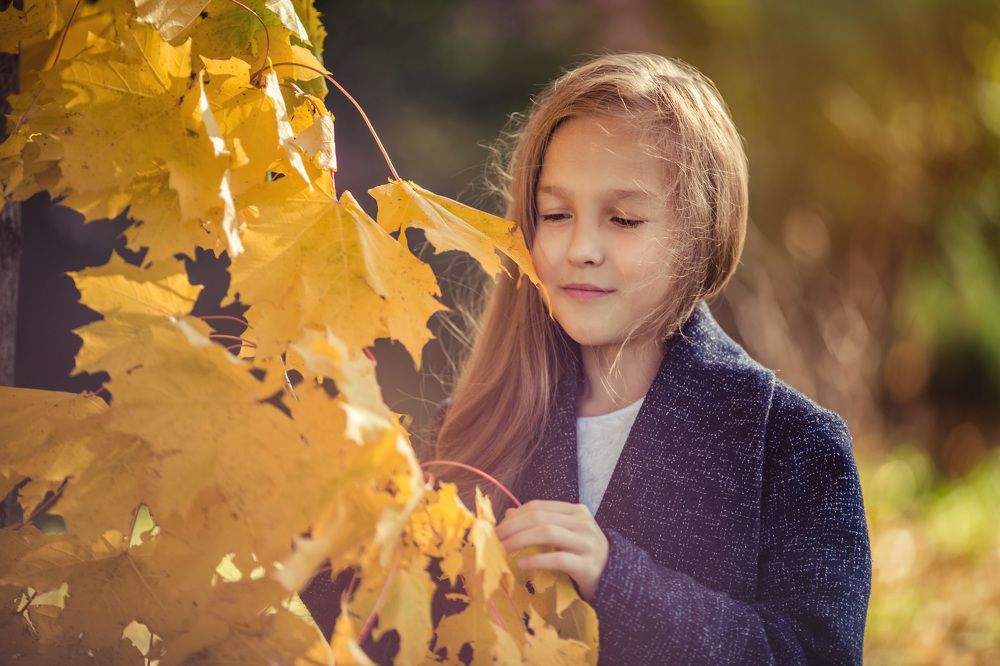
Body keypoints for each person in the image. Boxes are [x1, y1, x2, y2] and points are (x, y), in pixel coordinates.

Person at [302, 52, 872, 665]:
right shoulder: (468, 432)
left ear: (700, 232)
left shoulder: (790, 444)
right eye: (556, 215)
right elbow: (389, 635)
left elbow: (815, 655)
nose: (581, 249)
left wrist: (618, 580)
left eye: (623, 219)